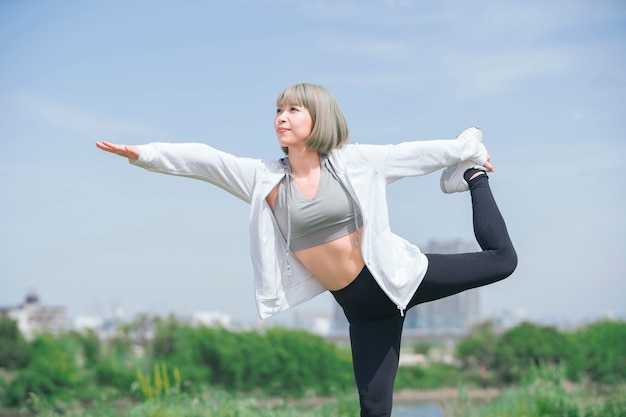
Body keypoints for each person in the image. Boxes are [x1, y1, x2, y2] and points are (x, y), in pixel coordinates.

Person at [96, 82, 517, 417]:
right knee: (374, 409)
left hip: (400, 278)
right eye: (278, 110)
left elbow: (418, 154)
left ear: (319, 118)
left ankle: (473, 177)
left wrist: (468, 151)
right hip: (363, 310)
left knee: (504, 261)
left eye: (293, 109)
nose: (281, 117)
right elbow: (206, 160)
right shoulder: (264, 179)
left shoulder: (355, 161)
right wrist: (144, 154)